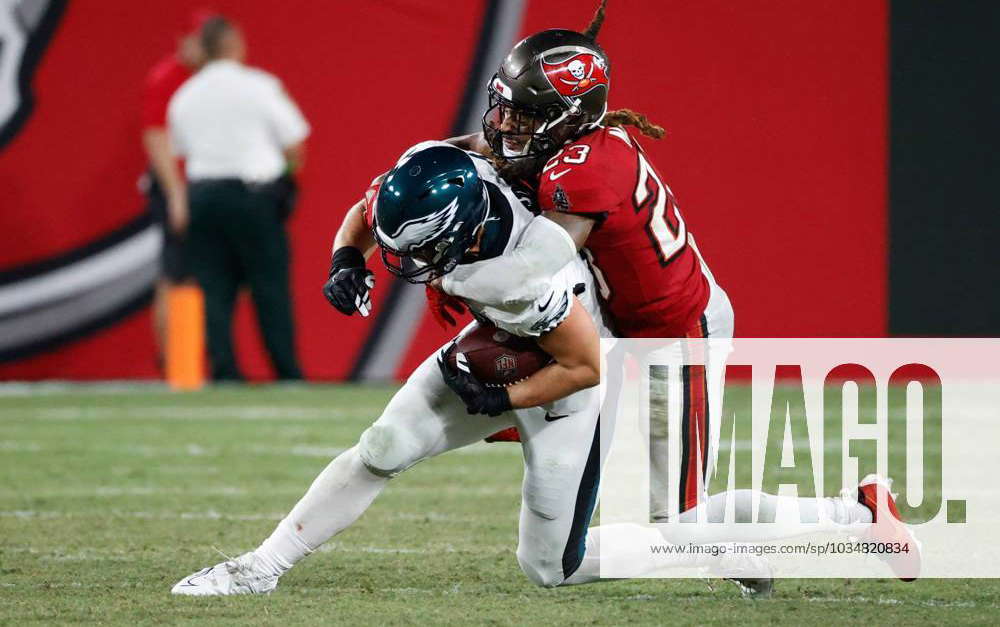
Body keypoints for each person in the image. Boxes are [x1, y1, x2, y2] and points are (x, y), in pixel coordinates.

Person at [436, 2, 919, 581]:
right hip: (623, 327)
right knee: (631, 487)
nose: (506, 125)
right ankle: (727, 545)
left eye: (525, 115)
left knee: (681, 518)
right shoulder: (559, 145)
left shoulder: (588, 168)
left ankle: (857, 510)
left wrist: (449, 272)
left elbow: (536, 271)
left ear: (568, 118)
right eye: (507, 109)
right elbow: (462, 154)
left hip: (676, 334)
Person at [171, 143, 779, 597]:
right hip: (503, 341)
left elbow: (587, 364)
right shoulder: (440, 173)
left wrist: (501, 400)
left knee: (550, 567)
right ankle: (261, 568)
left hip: (568, 380)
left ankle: (730, 543)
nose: (403, 265)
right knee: (383, 444)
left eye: (416, 253)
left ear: (461, 234)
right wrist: (344, 259)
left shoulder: (529, 273)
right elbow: (368, 209)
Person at [168, 16, 307, 381]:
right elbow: (294, 143)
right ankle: (286, 372)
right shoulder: (258, 86)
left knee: (214, 288)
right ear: (234, 44)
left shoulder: (186, 93)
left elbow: (180, 148)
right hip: (253, 196)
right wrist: (287, 180)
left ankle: (224, 371)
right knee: (269, 286)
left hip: (203, 196)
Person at [140, 13, 206, 369]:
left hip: (206, 187)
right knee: (176, 273)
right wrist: (175, 194)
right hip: (180, 187)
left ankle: (194, 358)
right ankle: (174, 361)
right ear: (183, 39)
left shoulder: (207, 80)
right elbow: (155, 136)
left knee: (208, 276)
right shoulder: (169, 77)